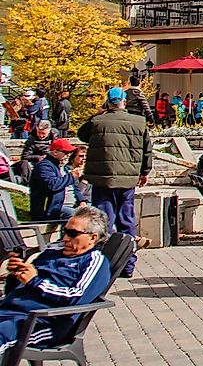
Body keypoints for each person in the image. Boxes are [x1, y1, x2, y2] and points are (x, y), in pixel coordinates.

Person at [0, 204, 113, 359]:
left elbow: (75, 298)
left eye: (72, 234)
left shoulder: (94, 262)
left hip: (42, 322)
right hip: (10, 312)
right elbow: (14, 290)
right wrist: (16, 274)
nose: (65, 238)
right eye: (64, 231)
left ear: (92, 237)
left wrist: (34, 281)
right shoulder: (51, 253)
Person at [77, 86, 151, 277]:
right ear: (124, 102)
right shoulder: (139, 122)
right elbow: (147, 150)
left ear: (108, 102)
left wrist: (99, 113)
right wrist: (144, 171)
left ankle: (102, 266)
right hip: (127, 179)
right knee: (126, 222)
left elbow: (81, 135)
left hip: (103, 179)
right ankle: (127, 264)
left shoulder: (97, 121)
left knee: (103, 222)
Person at [28, 138, 81, 222]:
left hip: (59, 208)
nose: (68, 156)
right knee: (76, 217)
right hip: (48, 211)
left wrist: (82, 201)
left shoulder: (58, 166)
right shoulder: (44, 166)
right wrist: (71, 176)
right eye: (66, 153)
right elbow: (52, 185)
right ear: (55, 152)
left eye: (69, 153)